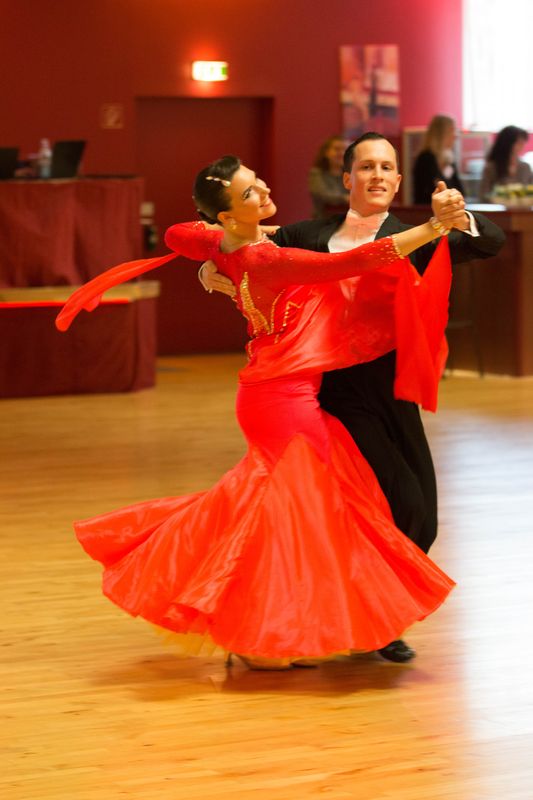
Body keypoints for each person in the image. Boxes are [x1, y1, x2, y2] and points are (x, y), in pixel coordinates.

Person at [56, 155, 456, 670]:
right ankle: (254, 630)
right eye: (250, 193)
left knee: (287, 514)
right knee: (289, 515)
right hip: (287, 401)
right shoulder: (267, 260)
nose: (264, 191)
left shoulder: (223, 245)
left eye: (258, 182)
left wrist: (227, 240)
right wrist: (433, 227)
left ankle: (279, 625)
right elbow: (357, 261)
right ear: (227, 214)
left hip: (271, 393)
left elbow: (179, 233)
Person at [201, 134, 506, 662]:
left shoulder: (414, 236)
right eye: (367, 167)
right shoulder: (309, 234)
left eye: (387, 167)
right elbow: (239, 250)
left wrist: (460, 215)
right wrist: (209, 268)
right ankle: (377, 624)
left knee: (422, 515)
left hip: (392, 386)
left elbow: (490, 243)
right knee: (395, 502)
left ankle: (369, 612)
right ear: (348, 179)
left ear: (398, 179)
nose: (378, 175)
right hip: (333, 393)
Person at [413, 115, 464, 204]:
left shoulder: (449, 158)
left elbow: (459, 189)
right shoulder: (426, 159)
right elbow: (429, 191)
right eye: (452, 130)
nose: (455, 135)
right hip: (429, 209)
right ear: (441, 134)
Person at [479, 125, 532, 201]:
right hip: (498, 207)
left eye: (523, 143)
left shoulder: (525, 167)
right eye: (518, 143)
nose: (522, 146)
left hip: (523, 208)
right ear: (507, 144)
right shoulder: (492, 168)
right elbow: (483, 195)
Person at [308, 135, 350, 218]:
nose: (341, 153)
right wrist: (346, 198)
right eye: (337, 149)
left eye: (345, 150)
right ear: (326, 153)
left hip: (347, 220)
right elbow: (324, 196)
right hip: (323, 220)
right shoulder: (317, 173)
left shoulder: (350, 174)